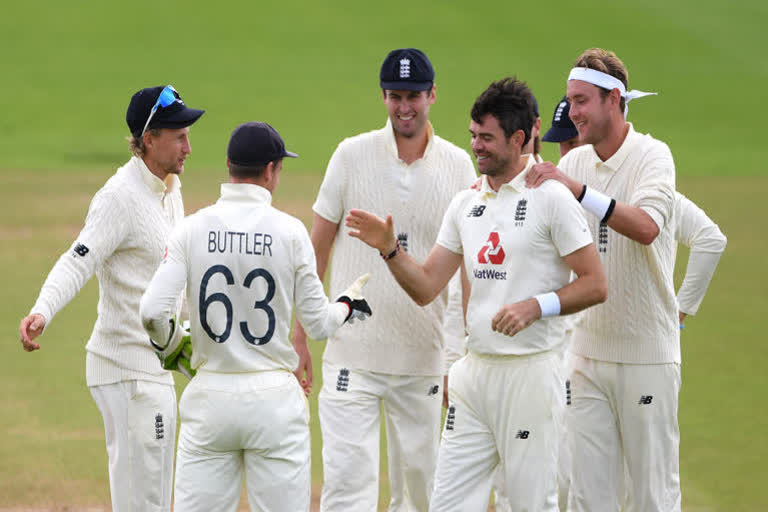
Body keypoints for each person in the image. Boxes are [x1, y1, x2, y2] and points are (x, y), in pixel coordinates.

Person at [347, 77, 607, 511]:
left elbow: (595, 283)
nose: (476, 146)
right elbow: (428, 285)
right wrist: (390, 250)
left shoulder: (552, 199)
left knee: (528, 504)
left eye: (486, 138)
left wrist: (535, 307)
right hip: (475, 375)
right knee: (446, 504)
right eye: (473, 136)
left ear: (519, 138)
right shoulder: (466, 204)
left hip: (530, 374)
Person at [139, 121, 373, 512]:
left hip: (209, 398)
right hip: (275, 403)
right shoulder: (291, 232)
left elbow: (151, 312)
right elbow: (318, 324)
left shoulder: (192, 228)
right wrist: (349, 302)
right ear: (270, 170)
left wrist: (170, 347)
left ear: (229, 165)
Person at [289, 47, 477, 511]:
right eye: (395, 95)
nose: (404, 106)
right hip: (353, 354)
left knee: (420, 494)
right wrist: (299, 335)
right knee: (347, 492)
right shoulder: (350, 155)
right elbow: (318, 248)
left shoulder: (458, 167)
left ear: (432, 95)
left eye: (413, 95)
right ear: (383, 96)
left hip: (424, 359)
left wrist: (464, 354)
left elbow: (470, 269)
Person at [18, 85, 204, 511]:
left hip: (152, 368)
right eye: (179, 135)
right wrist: (42, 309)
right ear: (149, 138)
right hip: (126, 369)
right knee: (144, 501)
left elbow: (178, 276)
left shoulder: (169, 190)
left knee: (150, 497)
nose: (189, 146)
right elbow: (78, 258)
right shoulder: (119, 197)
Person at [538, 95, 728, 510]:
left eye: (571, 143)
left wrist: (677, 312)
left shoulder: (647, 187)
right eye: (561, 146)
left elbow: (710, 239)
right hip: (577, 355)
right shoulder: (564, 183)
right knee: (580, 491)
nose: (566, 155)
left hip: (633, 356)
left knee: (643, 491)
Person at [526, 48, 682, 511]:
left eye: (581, 101)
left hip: (646, 355)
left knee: (651, 496)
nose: (572, 113)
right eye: (569, 101)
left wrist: (579, 192)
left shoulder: (653, 156)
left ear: (614, 99)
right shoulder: (574, 163)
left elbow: (647, 227)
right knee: (588, 496)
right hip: (586, 354)